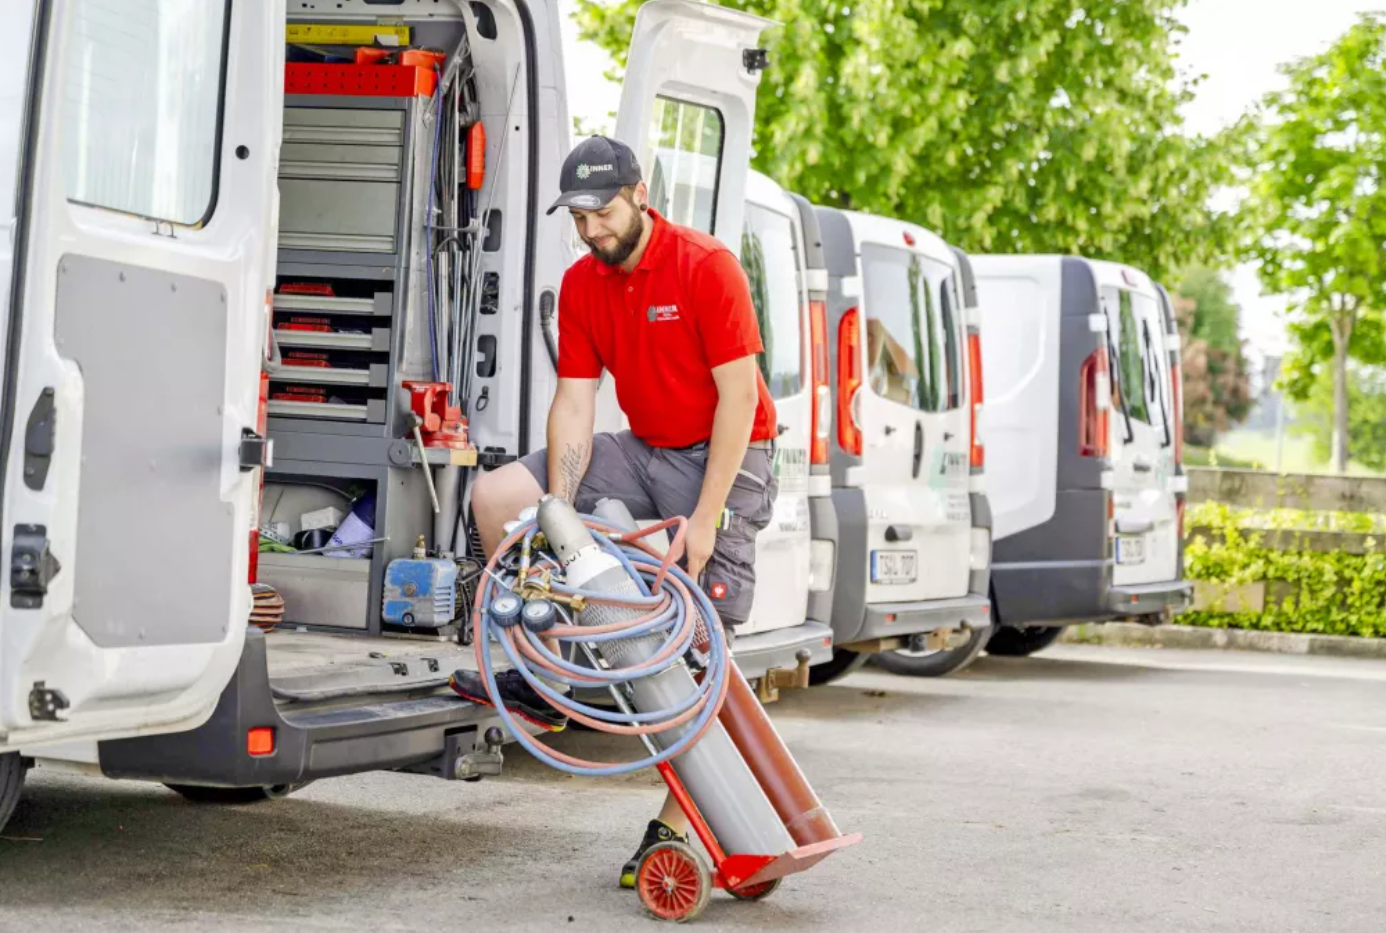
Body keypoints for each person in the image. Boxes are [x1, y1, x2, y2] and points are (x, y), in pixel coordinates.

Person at [447, 135, 779, 888]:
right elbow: (574, 400)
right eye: (579, 217)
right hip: (644, 446)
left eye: (603, 211)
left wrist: (704, 516)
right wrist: (557, 510)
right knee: (498, 496)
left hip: (726, 456)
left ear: (639, 193)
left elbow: (738, 399)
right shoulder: (583, 282)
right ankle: (553, 677)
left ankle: (677, 829)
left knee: (702, 660)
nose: (592, 229)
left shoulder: (706, 266)